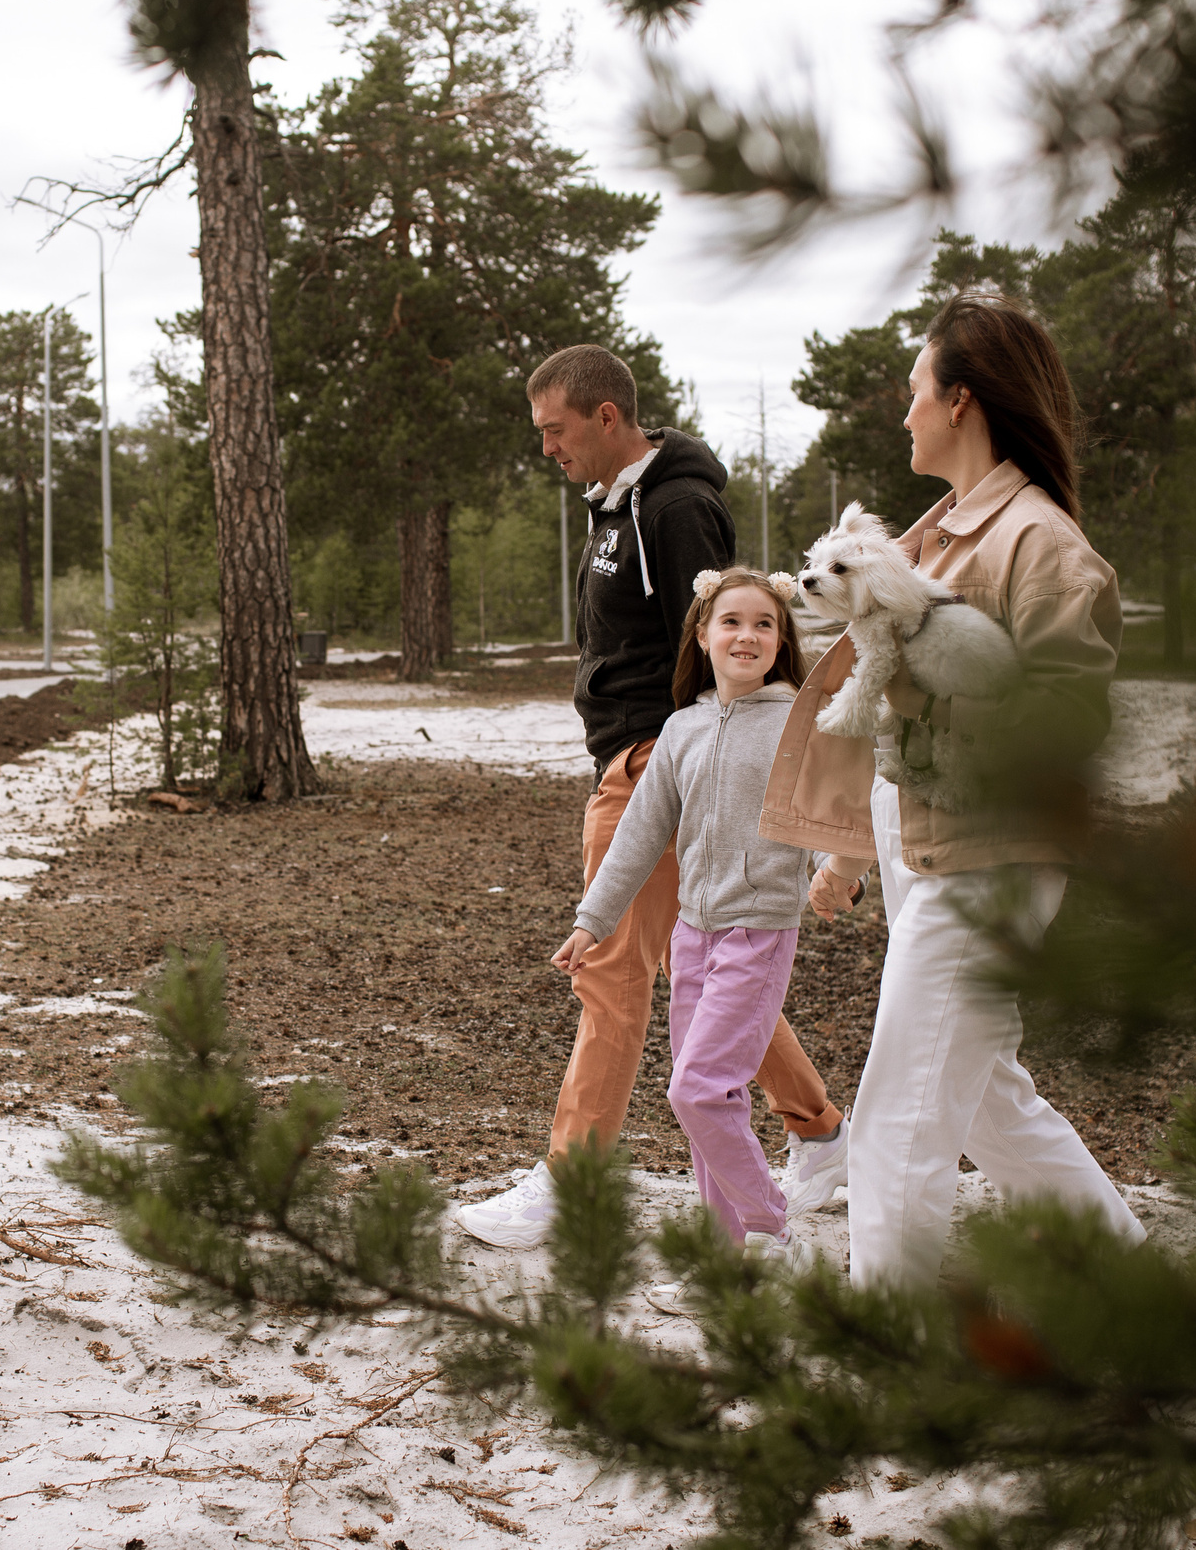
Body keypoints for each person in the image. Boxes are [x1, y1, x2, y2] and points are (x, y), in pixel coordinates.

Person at [759, 292, 1146, 1288]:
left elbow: (1065, 723)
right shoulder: (941, 533)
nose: (904, 414)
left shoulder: (1038, 544)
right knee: (982, 1099)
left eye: (915, 392)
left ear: (962, 401)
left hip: (991, 859)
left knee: (901, 1113)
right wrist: (850, 843)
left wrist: (926, 710)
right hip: (927, 845)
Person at [455, 344, 846, 1250]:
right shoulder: (614, 507)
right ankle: (820, 1131)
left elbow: (715, 645)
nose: (547, 448)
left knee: (611, 976)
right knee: (682, 961)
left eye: (555, 431)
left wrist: (677, 771)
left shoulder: (676, 508)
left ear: (604, 417)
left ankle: (573, 1180)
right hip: (637, 757)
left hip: (650, 766)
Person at [555, 567, 819, 1257]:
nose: (748, 635)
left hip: (759, 931)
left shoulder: (798, 721)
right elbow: (638, 834)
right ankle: (724, 1253)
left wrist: (834, 876)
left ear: (781, 638)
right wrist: (593, 920)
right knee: (709, 1100)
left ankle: (768, 1225)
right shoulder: (682, 728)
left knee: (697, 1089)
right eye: (731, 621)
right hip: (692, 936)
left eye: (765, 623)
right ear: (701, 634)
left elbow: (827, 812)